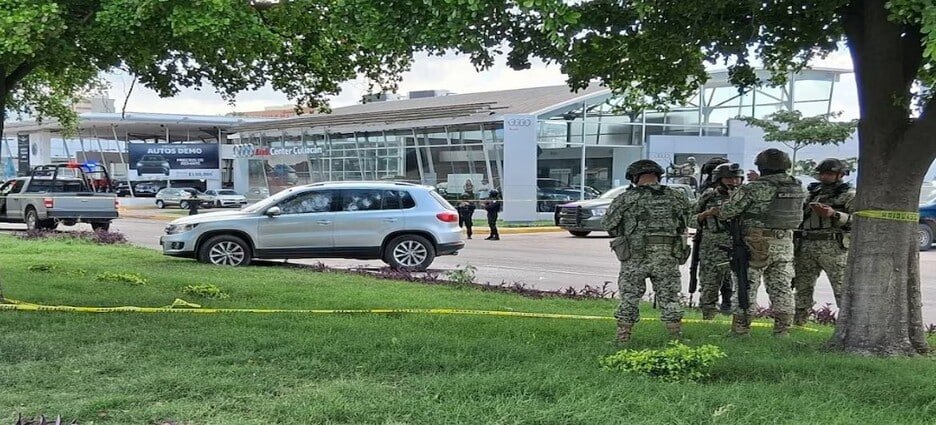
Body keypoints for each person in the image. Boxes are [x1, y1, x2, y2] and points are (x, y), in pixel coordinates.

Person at [698, 148, 806, 336]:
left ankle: (740, 330)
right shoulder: (797, 187)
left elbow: (726, 212)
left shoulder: (753, 188)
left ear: (761, 167)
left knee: (746, 285)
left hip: (755, 244)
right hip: (785, 243)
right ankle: (782, 332)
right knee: (782, 288)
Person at [602, 160, 692, 342]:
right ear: (658, 175)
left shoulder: (626, 198)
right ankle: (676, 337)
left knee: (629, 296)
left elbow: (608, 224)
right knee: (670, 297)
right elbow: (688, 220)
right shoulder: (677, 196)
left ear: (634, 177)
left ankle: (623, 337)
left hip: (636, 256)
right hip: (667, 255)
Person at [792, 158, 855, 325]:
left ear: (840, 175)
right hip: (806, 245)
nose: (824, 177)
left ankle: (847, 325)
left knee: (841, 287)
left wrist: (834, 214)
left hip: (834, 247)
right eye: (822, 173)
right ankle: (799, 322)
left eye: (829, 174)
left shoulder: (849, 194)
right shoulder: (812, 192)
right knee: (802, 286)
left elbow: (859, 221)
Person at [693, 163, 744, 319]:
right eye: (729, 178)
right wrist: (706, 214)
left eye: (737, 178)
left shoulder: (745, 196)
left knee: (739, 284)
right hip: (712, 247)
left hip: (739, 245)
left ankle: (737, 317)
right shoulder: (709, 196)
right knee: (709, 284)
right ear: (719, 179)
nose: (733, 182)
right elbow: (690, 218)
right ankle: (708, 316)